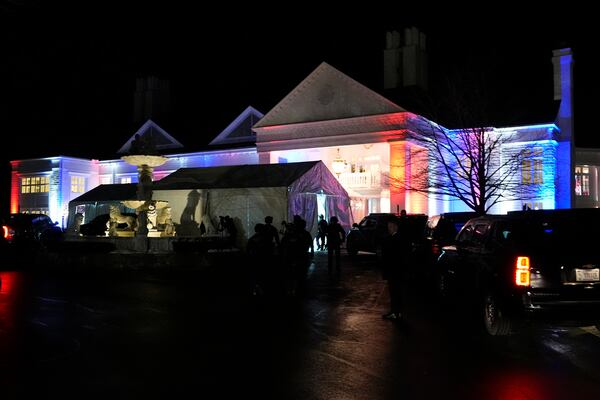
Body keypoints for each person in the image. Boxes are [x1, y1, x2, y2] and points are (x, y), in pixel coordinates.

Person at [381, 214, 410, 321]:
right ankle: (397, 312)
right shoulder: (398, 238)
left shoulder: (396, 239)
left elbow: (394, 257)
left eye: (390, 227)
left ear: (394, 227)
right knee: (396, 293)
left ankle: (396, 312)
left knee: (395, 293)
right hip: (397, 271)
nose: (388, 229)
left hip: (395, 271)